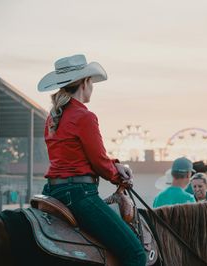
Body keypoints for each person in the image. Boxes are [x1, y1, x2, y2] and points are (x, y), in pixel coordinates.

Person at [37, 54, 146, 266]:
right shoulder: (85, 116)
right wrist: (119, 178)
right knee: (136, 255)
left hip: (52, 192)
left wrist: (114, 163)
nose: (93, 87)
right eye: (92, 82)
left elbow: (75, 154)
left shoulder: (54, 117)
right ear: (85, 82)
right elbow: (98, 163)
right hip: (79, 195)